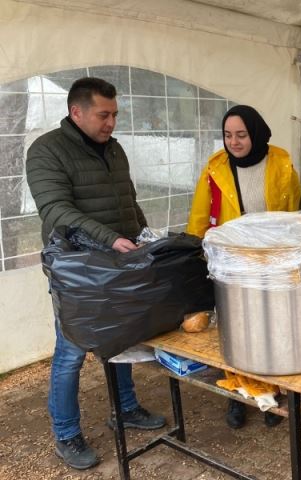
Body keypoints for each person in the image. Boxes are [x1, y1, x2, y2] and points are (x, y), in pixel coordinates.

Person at [26, 77, 166, 470]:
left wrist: (143, 236)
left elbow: (128, 200)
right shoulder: (46, 151)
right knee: (71, 351)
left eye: (115, 114)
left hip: (117, 264)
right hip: (76, 270)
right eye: (104, 115)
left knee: (121, 339)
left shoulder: (113, 149)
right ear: (77, 112)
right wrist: (110, 238)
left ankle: (125, 409)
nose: (111, 123)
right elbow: (55, 209)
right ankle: (66, 434)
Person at [187, 104, 301, 429]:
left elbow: (297, 213)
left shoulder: (281, 163)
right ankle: (237, 393)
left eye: (241, 135)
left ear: (256, 133)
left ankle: (271, 391)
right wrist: (194, 254)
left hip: (271, 262)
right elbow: (199, 215)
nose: (234, 142)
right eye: (227, 135)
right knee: (236, 330)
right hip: (231, 264)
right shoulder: (215, 168)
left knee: (272, 328)